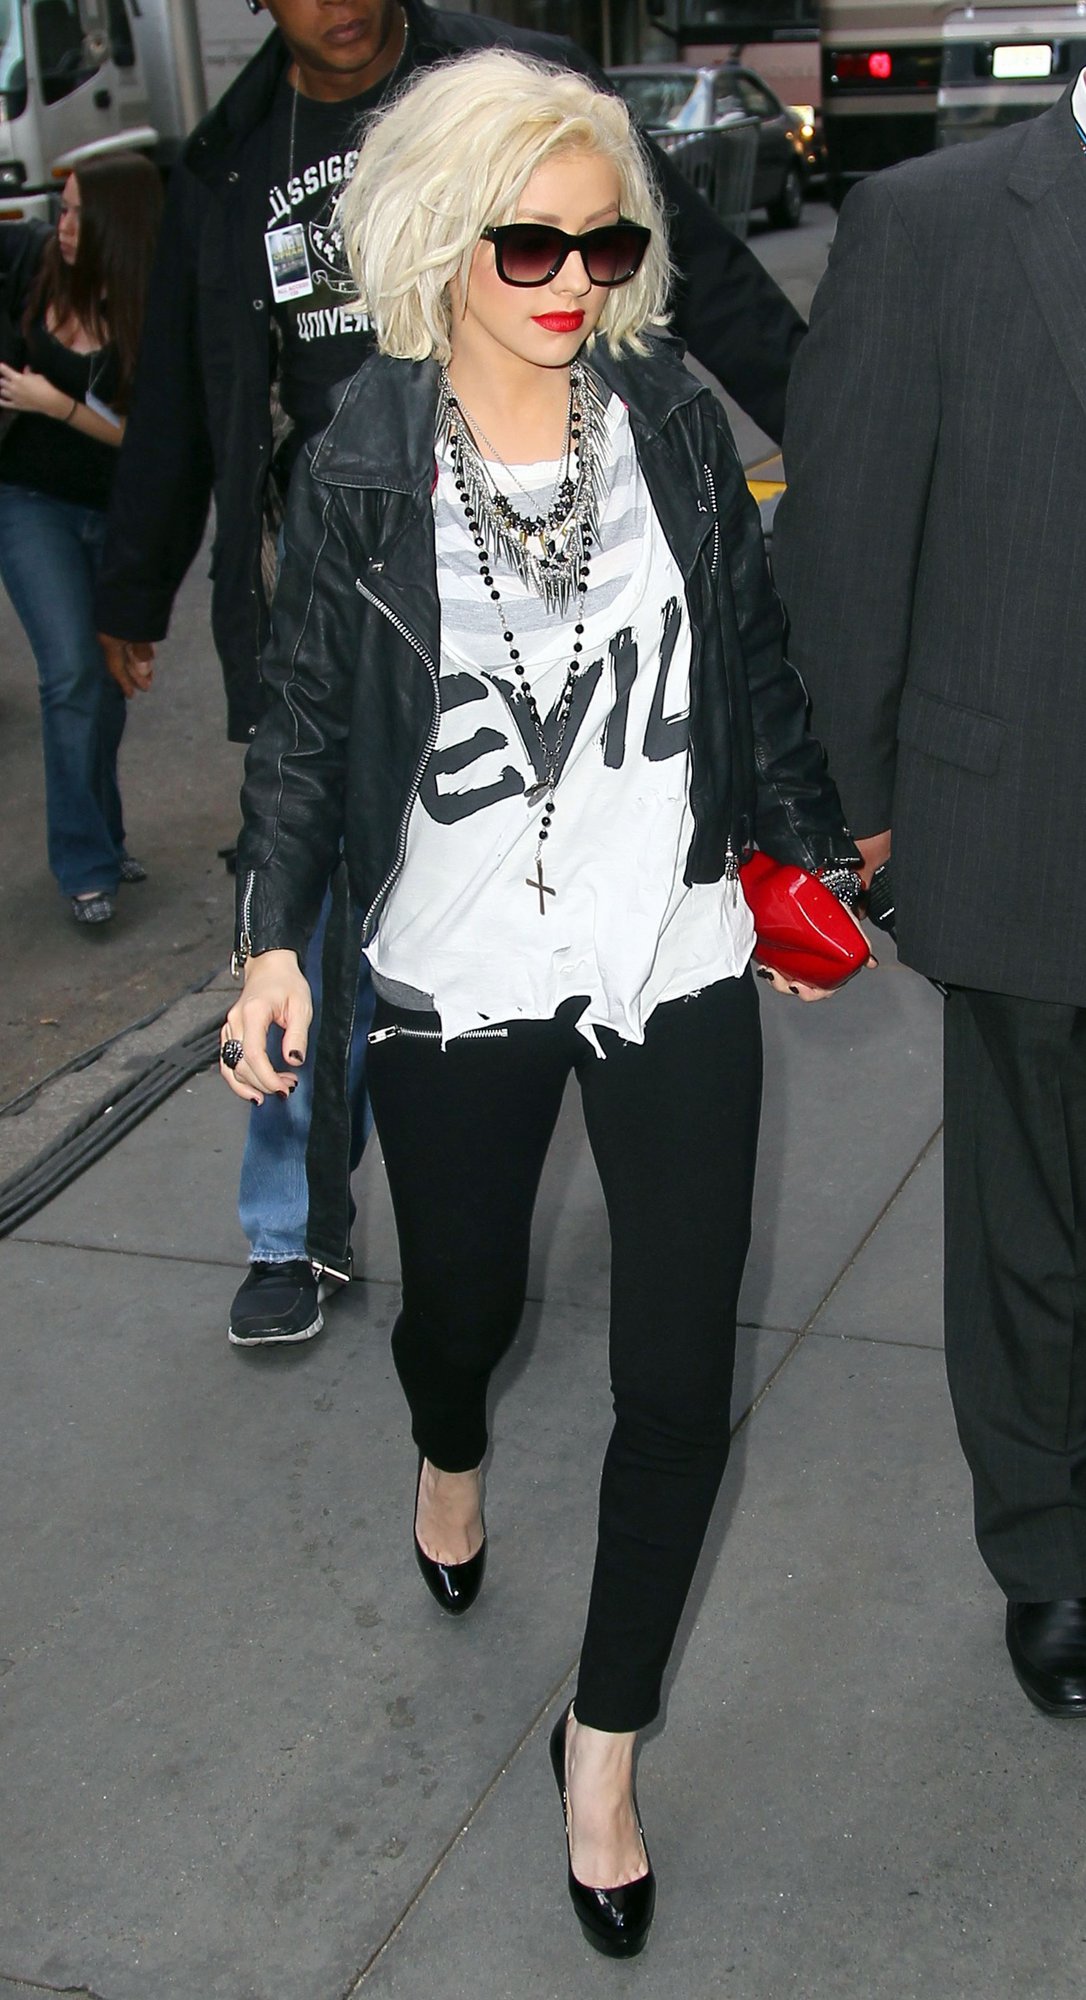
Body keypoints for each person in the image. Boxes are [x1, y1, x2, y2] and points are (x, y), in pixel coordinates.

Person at [218, 50, 867, 1955]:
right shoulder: (358, 461)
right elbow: (304, 732)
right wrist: (270, 937)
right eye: (532, 245)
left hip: (671, 951)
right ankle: (448, 1445)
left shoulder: (667, 426)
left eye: (606, 245)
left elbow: (748, 655)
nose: (576, 280)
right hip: (460, 975)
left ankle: (603, 1750)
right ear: (443, 242)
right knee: (468, 1314)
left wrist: (811, 851)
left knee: (678, 1380)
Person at [93, 0, 812, 1350]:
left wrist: (843, 426)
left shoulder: (525, 94)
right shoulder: (234, 163)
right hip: (365, 614)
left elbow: (702, 284)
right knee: (323, 949)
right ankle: (307, 1244)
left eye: (596, 246)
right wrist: (135, 585)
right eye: (532, 245)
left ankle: (398, 1228)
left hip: (583, 696)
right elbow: (192, 395)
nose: (341, 3)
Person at [773, 75, 1086, 1719]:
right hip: (1030, 813)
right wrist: (860, 807)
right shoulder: (934, 224)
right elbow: (843, 529)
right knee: (1035, 1222)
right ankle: (1051, 1550)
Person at [0, 156, 162, 926]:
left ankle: (103, 831)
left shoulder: (152, 308)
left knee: (105, 681)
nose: (61, 227)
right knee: (68, 672)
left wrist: (54, 403)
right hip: (28, 501)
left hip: (115, 515)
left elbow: (152, 438)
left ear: (114, 229)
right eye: (60, 210)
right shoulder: (33, 265)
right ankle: (86, 864)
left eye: (75, 214)